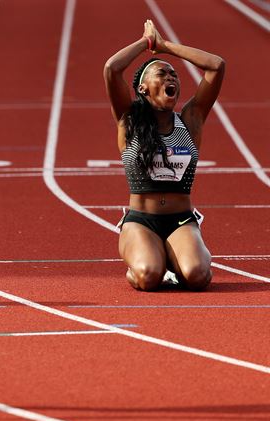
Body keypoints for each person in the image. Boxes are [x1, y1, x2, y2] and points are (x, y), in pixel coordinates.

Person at [103, 20, 225, 291]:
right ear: (144, 88)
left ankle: (178, 256)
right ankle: (145, 260)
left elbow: (216, 65)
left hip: (180, 219)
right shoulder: (129, 120)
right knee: (148, 276)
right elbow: (112, 69)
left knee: (197, 277)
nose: (171, 78)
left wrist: (165, 47)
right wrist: (147, 43)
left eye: (174, 75)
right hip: (141, 220)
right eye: (161, 74)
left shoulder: (191, 121)